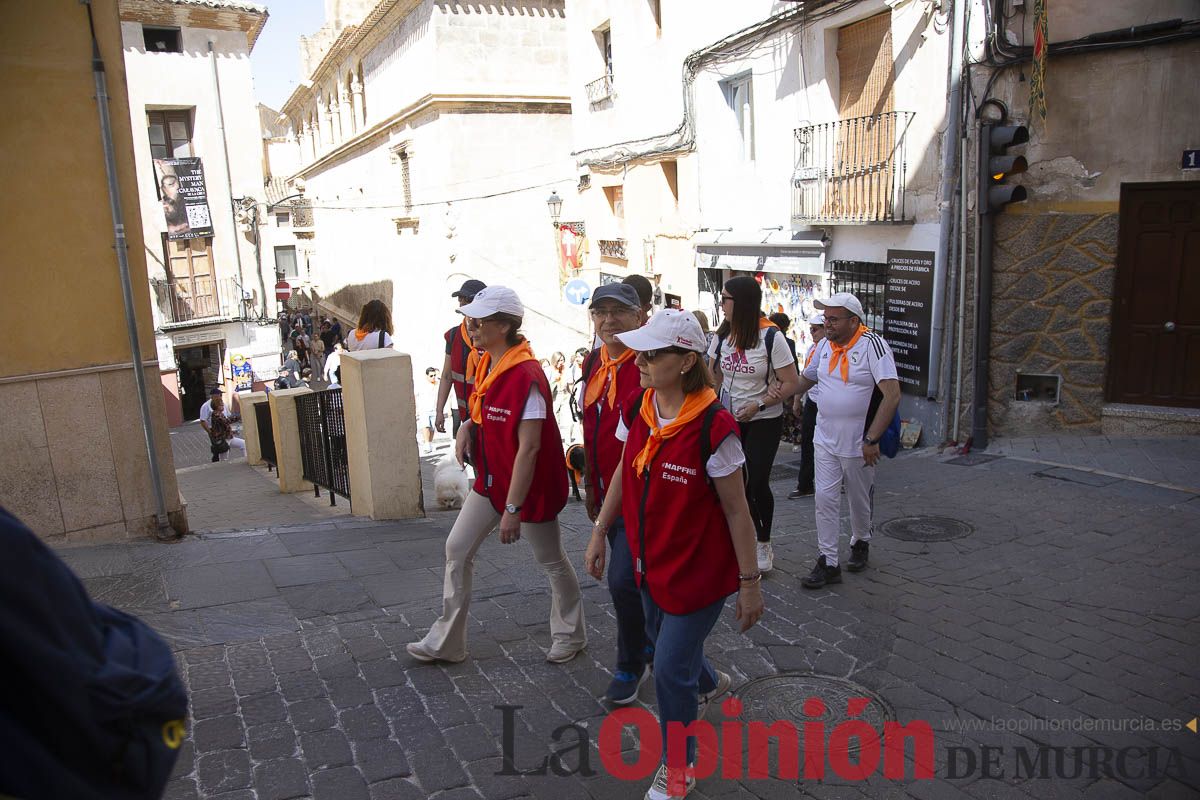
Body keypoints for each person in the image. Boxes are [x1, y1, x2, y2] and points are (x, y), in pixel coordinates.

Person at [584, 309, 764, 800]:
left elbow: (737, 511)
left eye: (653, 353)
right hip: (650, 564)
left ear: (686, 361)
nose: (640, 360)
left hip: (698, 574)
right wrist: (601, 531)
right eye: (640, 350)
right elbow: (624, 469)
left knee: (666, 669)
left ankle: (678, 766)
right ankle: (709, 680)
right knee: (669, 650)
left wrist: (750, 583)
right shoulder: (640, 407)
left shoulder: (714, 425)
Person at [407, 286, 586, 664]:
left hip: (525, 488)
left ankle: (570, 634)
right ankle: (447, 642)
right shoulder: (489, 361)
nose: (469, 326)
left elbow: (530, 448)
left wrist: (513, 508)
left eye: (478, 320)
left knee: (551, 560)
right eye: (470, 318)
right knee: (456, 549)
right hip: (492, 480)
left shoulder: (527, 375)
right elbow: (485, 406)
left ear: (503, 326)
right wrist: (467, 426)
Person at [577, 284, 654, 705]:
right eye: (600, 312)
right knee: (636, 583)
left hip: (643, 497)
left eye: (618, 312)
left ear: (640, 316)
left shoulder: (648, 364)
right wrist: (591, 482)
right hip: (607, 490)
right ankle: (691, 670)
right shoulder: (595, 361)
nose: (608, 320)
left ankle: (633, 662)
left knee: (625, 581)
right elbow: (594, 428)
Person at [793, 293, 900, 589]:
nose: (826, 324)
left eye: (833, 319)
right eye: (825, 318)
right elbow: (807, 378)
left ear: (854, 321)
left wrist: (872, 438)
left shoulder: (873, 346)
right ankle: (828, 561)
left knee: (858, 496)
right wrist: (782, 391)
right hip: (824, 438)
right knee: (824, 498)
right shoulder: (824, 346)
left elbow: (891, 395)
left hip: (858, 442)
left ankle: (861, 540)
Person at [709, 276, 800, 573]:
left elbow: (791, 382)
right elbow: (713, 378)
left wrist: (759, 404)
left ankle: (763, 542)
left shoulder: (771, 337)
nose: (721, 305)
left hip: (763, 420)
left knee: (756, 480)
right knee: (733, 484)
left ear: (742, 302)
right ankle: (740, 539)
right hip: (729, 421)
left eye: (725, 299)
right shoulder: (723, 335)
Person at [436, 279, 486, 437]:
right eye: (461, 301)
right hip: (466, 417)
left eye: (467, 301)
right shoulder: (453, 336)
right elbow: (446, 375)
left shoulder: (492, 335)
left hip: (488, 417)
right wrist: (439, 410)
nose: (462, 305)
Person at [789, 313, 825, 499]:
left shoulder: (829, 348)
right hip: (812, 400)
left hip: (826, 403)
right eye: (811, 328)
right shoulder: (813, 348)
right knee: (808, 443)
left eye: (816, 328)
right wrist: (797, 399)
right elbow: (806, 375)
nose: (812, 332)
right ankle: (805, 484)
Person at [207, 395, 246, 461]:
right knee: (224, 458)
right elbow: (226, 421)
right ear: (216, 406)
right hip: (223, 439)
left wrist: (233, 431)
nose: (223, 406)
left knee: (244, 444)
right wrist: (238, 417)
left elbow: (225, 427)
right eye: (221, 405)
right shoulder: (216, 414)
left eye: (222, 405)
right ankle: (222, 468)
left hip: (228, 437)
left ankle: (246, 458)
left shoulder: (220, 413)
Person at [417, 366, 441, 454]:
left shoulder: (438, 384)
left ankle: (430, 443)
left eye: (434, 375)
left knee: (432, 428)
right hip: (424, 409)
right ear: (426, 376)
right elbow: (416, 396)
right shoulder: (422, 385)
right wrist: (416, 409)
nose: (433, 377)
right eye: (431, 376)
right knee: (425, 426)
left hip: (434, 409)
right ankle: (426, 444)